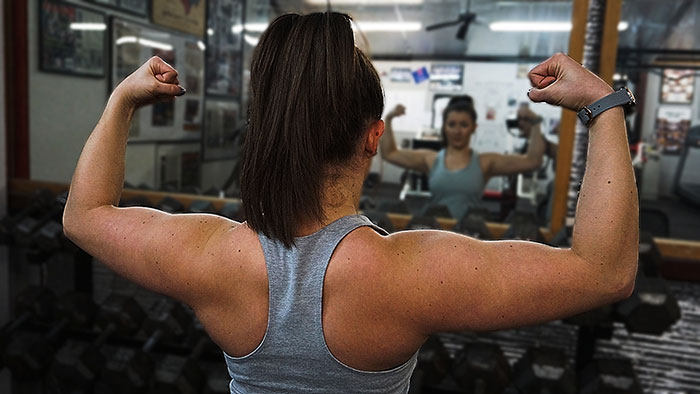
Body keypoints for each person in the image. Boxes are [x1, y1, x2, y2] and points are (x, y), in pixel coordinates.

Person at [63, 12, 638, 394]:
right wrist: (602, 105)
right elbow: (604, 271)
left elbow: (86, 216)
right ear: (373, 138)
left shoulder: (212, 257)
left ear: (264, 131)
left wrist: (121, 101)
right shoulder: (407, 275)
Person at [381, 99, 546, 220]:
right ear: (444, 127)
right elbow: (389, 153)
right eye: (452, 124)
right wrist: (388, 118)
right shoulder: (431, 160)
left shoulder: (485, 163)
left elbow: (533, 161)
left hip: (468, 234)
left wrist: (536, 122)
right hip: (434, 232)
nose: (457, 131)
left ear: (474, 127)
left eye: (464, 125)